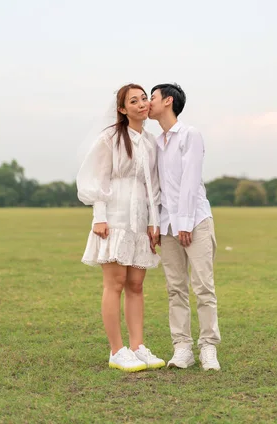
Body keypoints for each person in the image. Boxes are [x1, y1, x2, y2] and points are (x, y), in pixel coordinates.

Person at [77, 83, 165, 372]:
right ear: (122, 108)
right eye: (134, 101)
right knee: (114, 284)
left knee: (136, 285)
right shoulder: (111, 137)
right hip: (114, 216)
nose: (141, 104)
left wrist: (154, 222)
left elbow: (152, 184)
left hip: (140, 220)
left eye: (144, 99)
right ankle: (117, 350)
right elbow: (97, 176)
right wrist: (99, 215)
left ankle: (138, 346)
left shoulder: (151, 142)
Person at [149, 83, 221, 371]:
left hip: (195, 222)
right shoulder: (155, 143)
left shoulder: (189, 135)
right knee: (175, 288)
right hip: (166, 226)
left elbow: (191, 181)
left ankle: (208, 347)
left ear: (168, 101)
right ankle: (182, 348)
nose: (147, 103)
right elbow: (155, 188)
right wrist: (154, 223)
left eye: (151, 98)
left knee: (203, 286)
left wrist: (186, 222)